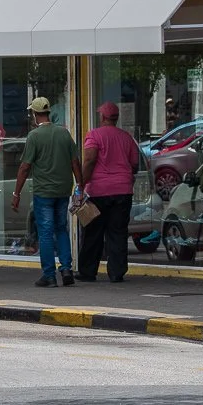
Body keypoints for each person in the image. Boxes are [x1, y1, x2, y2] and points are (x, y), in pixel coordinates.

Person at [9, 97, 82, 288]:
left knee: (46, 233)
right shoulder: (64, 134)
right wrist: (80, 186)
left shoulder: (34, 136)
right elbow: (75, 162)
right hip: (63, 190)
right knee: (61, 228)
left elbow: (25, 167)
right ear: (48, 112)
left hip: (44, 192)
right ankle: (66, 269)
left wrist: (16, 193)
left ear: (34, 114)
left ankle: (49, 275)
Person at [77, 101, 142, 284]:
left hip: (98, 191)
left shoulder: (94, 135)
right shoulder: (126, 137)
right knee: (118, 232)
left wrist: (82, 183)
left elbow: (89, 160)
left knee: (92, 233)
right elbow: (135, 164)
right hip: (123, 191)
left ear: (103, 116)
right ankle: (117, 272)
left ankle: (88, 272)